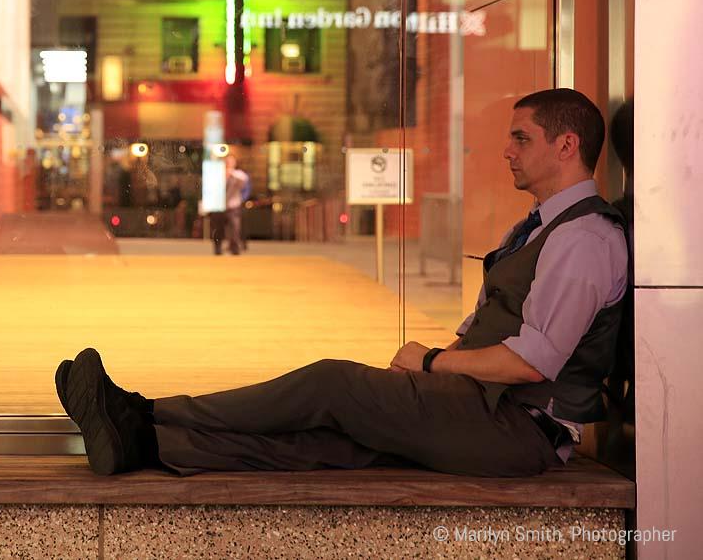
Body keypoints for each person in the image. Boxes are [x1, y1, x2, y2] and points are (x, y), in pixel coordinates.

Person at [54, 89, 630, 477]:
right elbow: (484, 333)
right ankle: (143, 443)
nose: (506, 150)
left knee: (332, 386)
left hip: (521, 428)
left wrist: (430, 364)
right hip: (484, 408)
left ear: (567, 145)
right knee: (331, 438)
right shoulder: (537, 229)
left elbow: (532, 364)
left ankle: (144, 410)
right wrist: (418, 378)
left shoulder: (585, 240)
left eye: (521, 138)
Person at [210, 155, 250, 255]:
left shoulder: (238, 174)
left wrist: (230, 173)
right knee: (218, 229)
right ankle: (217, 250)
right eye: (227, 161)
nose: (228, 163)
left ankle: (235, 249)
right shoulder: (218, 174)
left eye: (231, 162)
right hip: (219, 206)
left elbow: (244, 180)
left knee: (235, 229)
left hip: (233, 206)